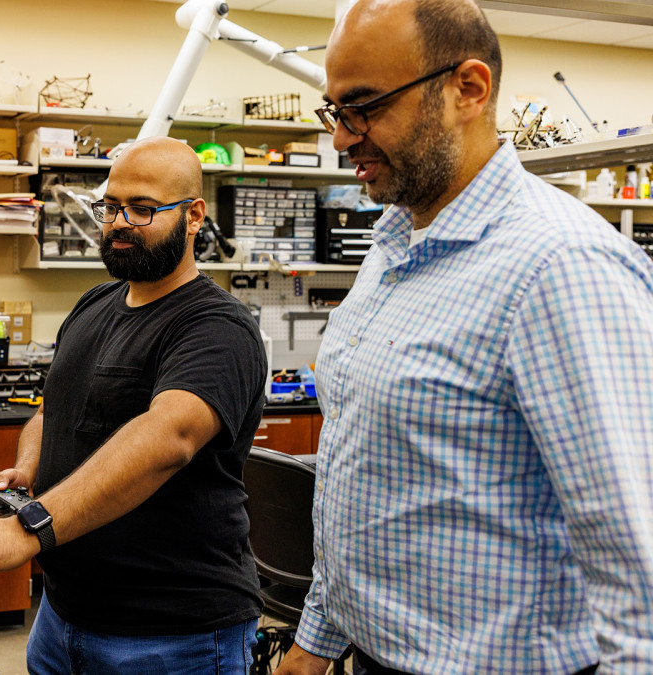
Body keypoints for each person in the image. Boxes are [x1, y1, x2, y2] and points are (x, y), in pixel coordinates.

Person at [273, 1, 653, 674]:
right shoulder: (393, 246)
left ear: (467, 89)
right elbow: (361, 476)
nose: (341, 137)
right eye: (334, 111)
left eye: (364, 106)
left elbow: (638, 565)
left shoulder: (560, 267)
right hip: (371, 653)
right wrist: (317, 639)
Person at [0, 136, 267, 673]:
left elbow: (168, 437)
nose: (119, 222)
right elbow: (49, 410)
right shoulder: (95, 303)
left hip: (172, 637)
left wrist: (26, 528)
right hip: (61, 618)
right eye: (111, 207)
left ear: (194, 216)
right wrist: (27, 471)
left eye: (143, 209)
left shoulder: (216, 328)